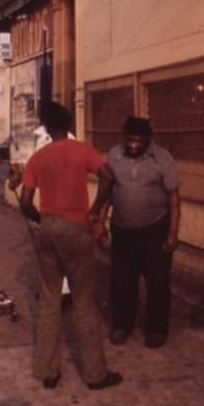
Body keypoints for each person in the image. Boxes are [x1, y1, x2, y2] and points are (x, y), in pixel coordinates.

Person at [20, 101, 122, 391]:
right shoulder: (82, 151)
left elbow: (26, 202)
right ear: (69, 125)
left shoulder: (38, 158)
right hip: (77, 228)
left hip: (48, 227)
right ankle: (94, 374)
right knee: (84, 300)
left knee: (50, 300)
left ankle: (48, 371)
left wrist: (42, 220)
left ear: (48, 129)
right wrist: (96, 209)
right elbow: (108, 176)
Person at [105, 116, 181, 349]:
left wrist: (172, 234)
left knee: (157, 282)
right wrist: (100, 219)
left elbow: (173, 198)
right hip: (122, 229)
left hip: (154, 229)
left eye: (138, 140)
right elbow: (107, 190)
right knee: (123, 280)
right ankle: (122, 325)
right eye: (130, 140)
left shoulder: (163, 158)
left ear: (148, 139)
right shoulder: (114, 155)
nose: (134, 145)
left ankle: (157, 329)